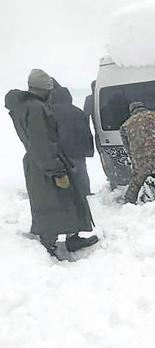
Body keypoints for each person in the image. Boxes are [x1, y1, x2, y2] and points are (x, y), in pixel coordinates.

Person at [4, 69, 98, 257]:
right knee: (52, 203)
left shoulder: (24, 107)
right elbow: (42, 143)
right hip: (45, 164)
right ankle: (48, 244)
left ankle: (71, 237)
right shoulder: (36, 108)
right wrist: (56, 171)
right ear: (44, 89)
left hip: (39, 162)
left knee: (63, 200)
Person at [50, 83, 94, 196]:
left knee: (63, 177)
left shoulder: (50, 113)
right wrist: (88, 150)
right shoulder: (78, 112)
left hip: (60, 153)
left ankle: (67, 197)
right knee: (81, 175)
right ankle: (85, 195)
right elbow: (86, 132)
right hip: (78, 152)